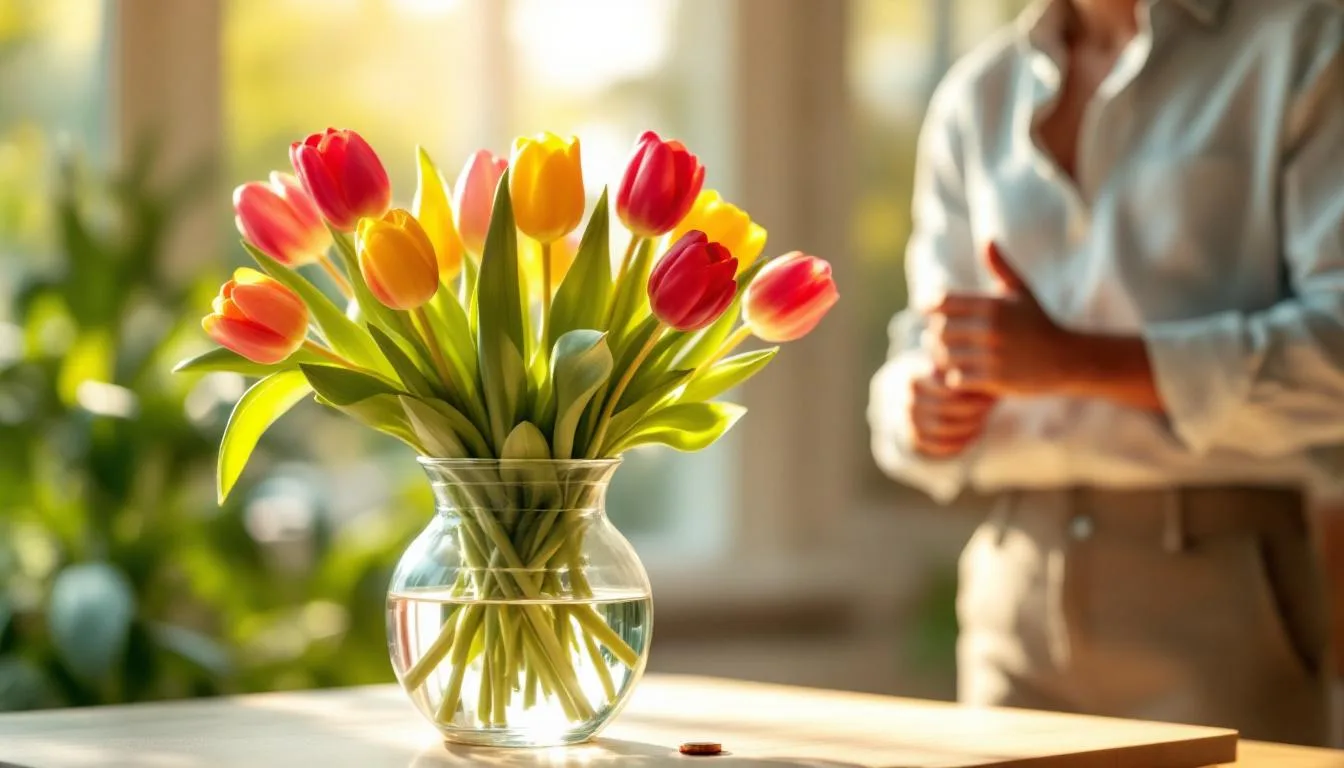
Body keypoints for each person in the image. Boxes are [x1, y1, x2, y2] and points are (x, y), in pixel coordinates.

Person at [868, 0, 1344, 747]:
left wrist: (1074, 361)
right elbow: (918, 347)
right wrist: (918, 408)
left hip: (1224, 592)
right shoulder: (976, 94)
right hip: (1010, 584)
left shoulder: (1306, 45)